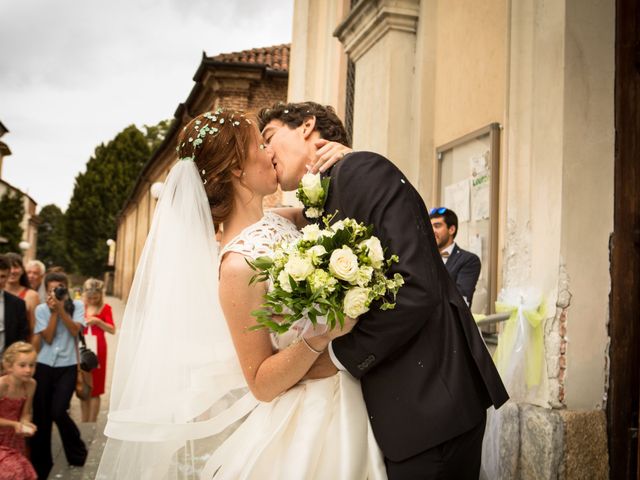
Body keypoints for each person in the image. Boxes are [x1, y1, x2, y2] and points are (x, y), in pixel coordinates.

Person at [96, 109, 382, 479]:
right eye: (261, 145)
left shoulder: (282, 218)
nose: (271, 152)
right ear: (236, 169)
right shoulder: (237, 266)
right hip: (314, 410)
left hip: (354, 388)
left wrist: (345, 161)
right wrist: (320, 336)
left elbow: (340, 203)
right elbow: (261, 382)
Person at [258, 101, 509, 479]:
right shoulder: (322, 198)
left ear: (307, 126)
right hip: (394, 414)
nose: (266, 153)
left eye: (269, 138)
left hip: (429, 407)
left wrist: (337, 355)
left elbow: (415, 288)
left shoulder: (362, 170)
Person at [31, 271, 87, 478]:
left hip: (68, 364)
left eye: (59, 288)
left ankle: (77, 451)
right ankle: (42, 464)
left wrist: (62, 309)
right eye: (51, 289)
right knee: (42, 416)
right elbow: (47, 337)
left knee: (58, 410)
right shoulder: (41, 309)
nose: (55, 292)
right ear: (46, 290)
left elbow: (75, 331)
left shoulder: (78, 306)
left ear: (67, 288)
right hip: (44, 364)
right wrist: (54, 311)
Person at [429, 207, 482, 307]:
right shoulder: (424, 258)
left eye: (437, 226)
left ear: (451, 229)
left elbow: (461, 300)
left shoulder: (469, 260)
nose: (432, 231)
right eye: (430, 227)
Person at [0, 341, 37, 480]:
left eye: (32, 365)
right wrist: (14, 424)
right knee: (13, 471)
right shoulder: (2, 385)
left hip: (14, 439)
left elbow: (25, 413)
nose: (28, 370)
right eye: (22, 365)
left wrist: (25, 423)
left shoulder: (31, 384)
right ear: (9, 366)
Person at [80, 278, 115, 422]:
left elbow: (112, 329)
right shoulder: (80, 307)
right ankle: (84, 420)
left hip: (98, 349)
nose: (93, 300)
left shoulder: (105, 308)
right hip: (82, 347)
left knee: (96, 387)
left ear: (100, 295)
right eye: (90, 297)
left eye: (96, 297)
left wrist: (98, 321)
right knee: (83, 387)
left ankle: (92, 421)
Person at [4, 253, 40, 340]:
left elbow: (35, 331)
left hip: (19, 349)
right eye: (9, 267)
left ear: (22, 270)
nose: (12, 271)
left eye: (16, 267)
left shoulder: (32, 296)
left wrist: (33, 351)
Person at [0, 256, 29, 358]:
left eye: (3, 276)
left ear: (8, 277)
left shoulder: (17, 304)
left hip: (5, 363)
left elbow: (22, 335)